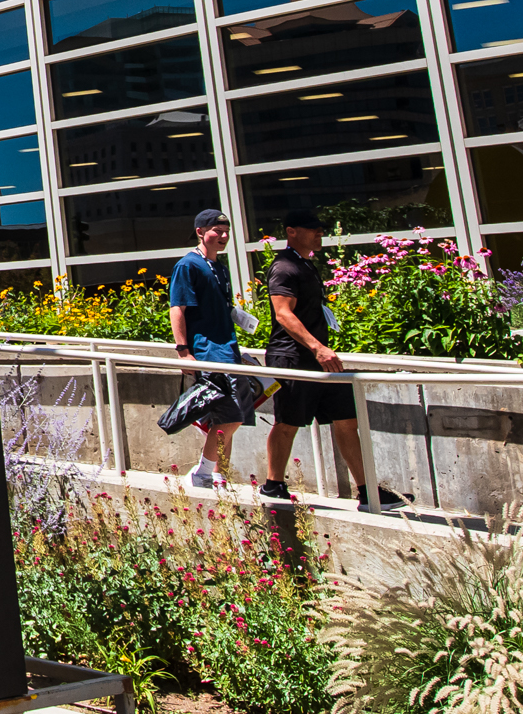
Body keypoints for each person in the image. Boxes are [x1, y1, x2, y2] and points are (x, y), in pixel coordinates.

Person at [260, 210, 407, 509]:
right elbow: (283, 314)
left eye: (320, 229)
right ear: (291, 231)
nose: (319, 233)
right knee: (288, 422)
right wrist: (318, 348)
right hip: (293, 358)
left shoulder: (306, 265)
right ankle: (273, 486)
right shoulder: (285, 267)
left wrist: (321, 351)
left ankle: (368, 492)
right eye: (312, 228)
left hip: (321, 359)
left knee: (346, 420)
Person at [167, 208, 271, 490]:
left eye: (226, 231)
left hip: (228, 348)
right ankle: (202, 473)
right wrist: (183, 350)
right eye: (216, 231)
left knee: (229, 416)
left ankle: (218, 475)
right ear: (200, 232)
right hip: (208, 350)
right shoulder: (188, 266)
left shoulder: (219, 268)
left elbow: (222, 308)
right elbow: (177, 308)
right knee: (232, 415)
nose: (223, 236)